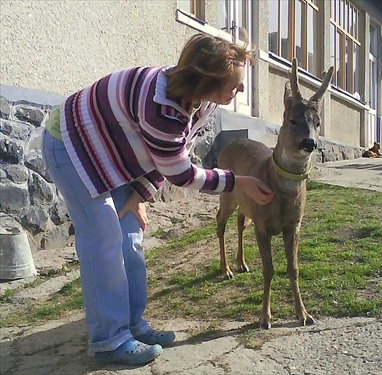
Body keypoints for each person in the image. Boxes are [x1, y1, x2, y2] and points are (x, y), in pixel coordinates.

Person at [42, 33, 274, 366]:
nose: (241, 91)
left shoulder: (201, 101)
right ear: (208, 78)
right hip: (69, 142)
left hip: (112, 149)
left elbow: (178, 150)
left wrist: (140, 194)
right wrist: (239, 182)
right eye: (235, 85)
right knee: (103, 236)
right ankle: (110, 339)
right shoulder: (161, 107)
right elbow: (181, 172)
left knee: (130, 237)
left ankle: (132, 325)